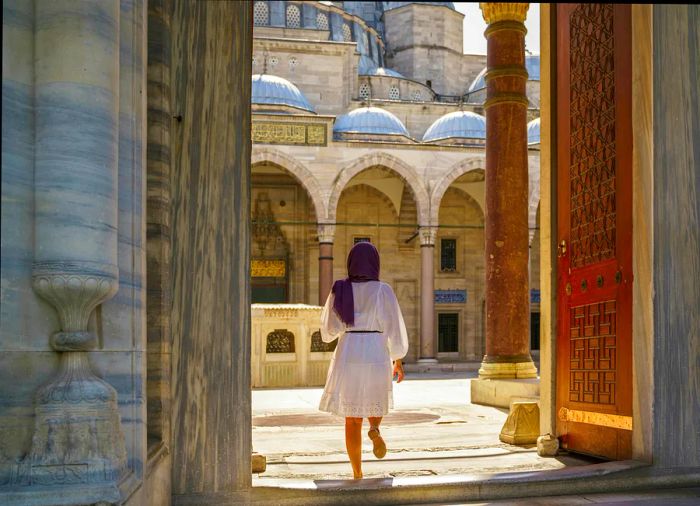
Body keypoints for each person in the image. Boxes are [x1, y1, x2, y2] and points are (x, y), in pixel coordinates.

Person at [318, 241, 409, 479]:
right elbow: (395, 328)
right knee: (375, 398)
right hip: (376, 350)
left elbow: (328, 331)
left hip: (349, 351)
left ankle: (357, 472)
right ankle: (375, 429)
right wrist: (397, 359)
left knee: (352, 417)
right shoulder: (384, 290)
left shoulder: (340, 289)